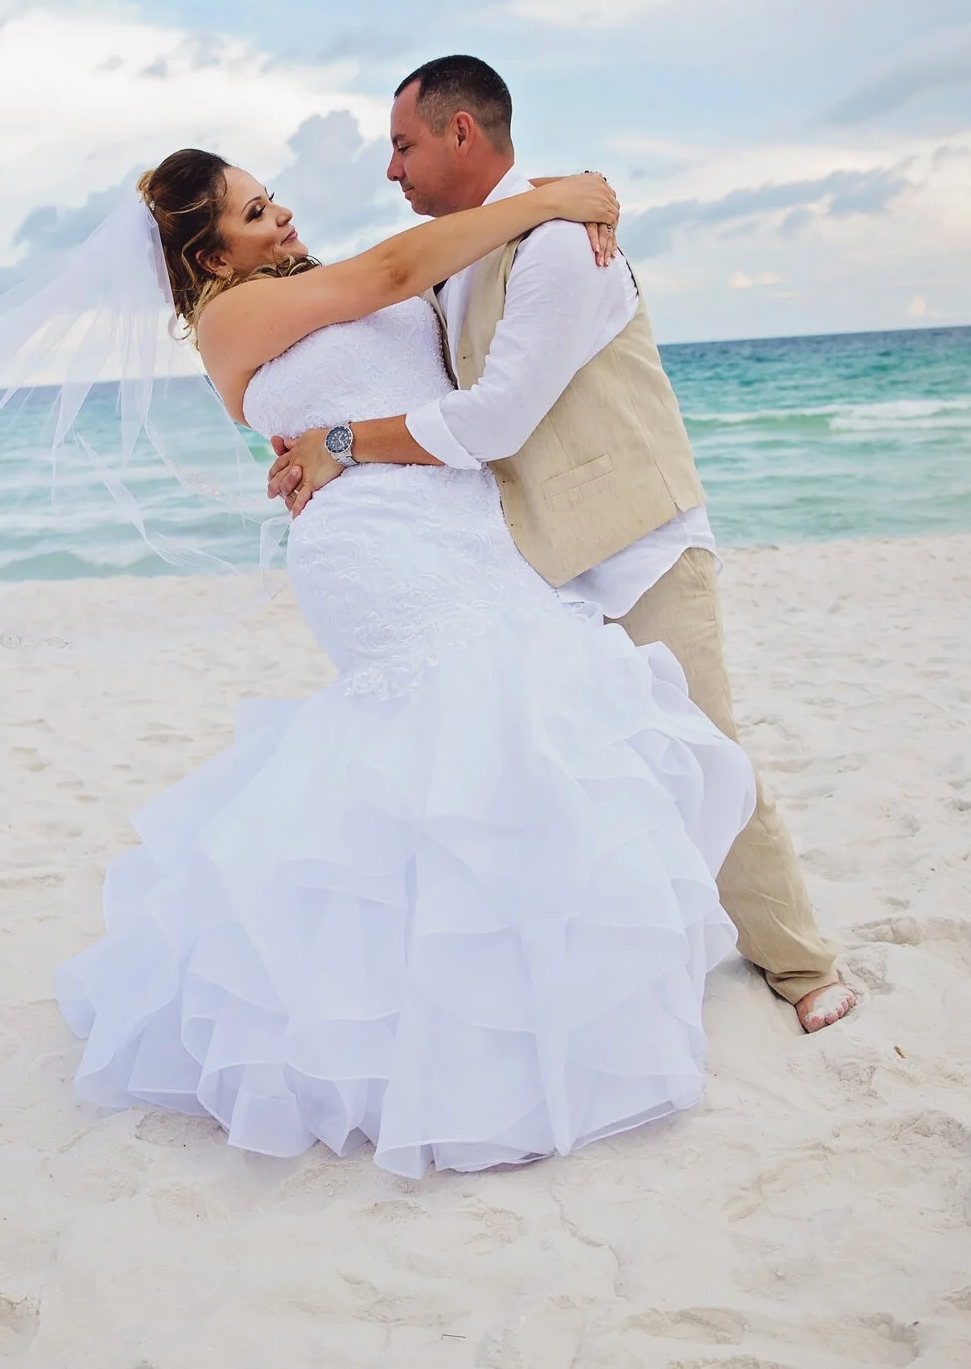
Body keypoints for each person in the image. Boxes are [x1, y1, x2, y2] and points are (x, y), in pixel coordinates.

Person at [52, 150, 760, 1177]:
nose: (282, 213)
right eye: (254, 211)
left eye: (271, 196)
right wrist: (554, 201)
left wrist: (551, 209)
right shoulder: (231, 322)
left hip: (465, 524)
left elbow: (443, 299)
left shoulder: (313, 284)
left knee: (521, 745)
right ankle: (432, 1035)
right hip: (375, 547)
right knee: (445, 744)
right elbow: (394, 272)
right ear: (209, 257)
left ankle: (535, 986)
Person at [266, 56, 857, 1034]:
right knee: (590, 776)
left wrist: (340, 443)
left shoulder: (559, 245)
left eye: (403, 145)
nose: (391, 169)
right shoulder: (459, 256)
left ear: (462, 132)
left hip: (640, 539)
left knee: (706, 752)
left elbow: (496, 417)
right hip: (535, 565)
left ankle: (798, 963)